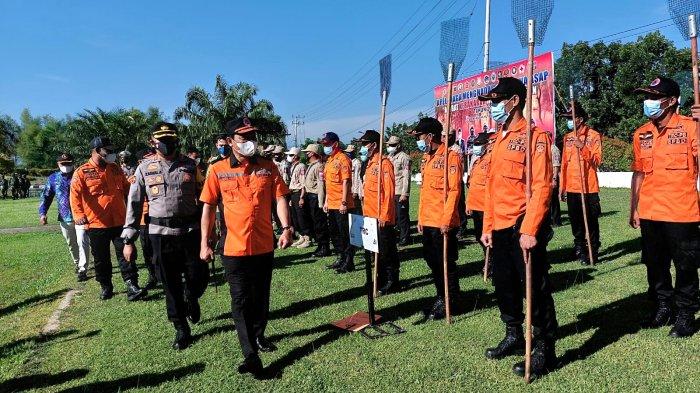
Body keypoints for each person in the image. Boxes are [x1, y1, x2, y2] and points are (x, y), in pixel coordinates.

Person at [199, 117, 293, 377]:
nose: (250, 142)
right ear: (230, 142)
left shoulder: (268, 167)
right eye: (243, 138)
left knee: (261, 296)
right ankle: (250, 354)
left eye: (253, 137)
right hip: (233, 248)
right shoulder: (217, 170)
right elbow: (208, 207)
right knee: (240, 300)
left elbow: (280, 198)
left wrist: (286, 228)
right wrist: (204, 243)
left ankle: (259, 335)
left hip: (263, 245)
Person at [478, 77, 557, 380]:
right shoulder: (498, 138)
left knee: (534, 289)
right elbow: (491, 188)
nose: (493, 107)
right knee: (504, 286)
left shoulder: (534, 137)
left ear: (513, 101)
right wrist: (486, 226)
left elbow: (541, 186)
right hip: (498, 226)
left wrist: (530, 228)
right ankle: (513, 333)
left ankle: (544, 348)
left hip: (521, 225)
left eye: (497, 102)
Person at [121, 122, 209, 350]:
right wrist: (128, 237)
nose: (166, 144)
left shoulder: (191, 166)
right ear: (153, 142)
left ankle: (192, 296)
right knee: (169, 284)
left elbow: (204, 198)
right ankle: (181, 327)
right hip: (160, 234)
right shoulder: (144, 168)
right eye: (162, 140)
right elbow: (134, 203)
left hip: (190, 232)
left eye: (170, 139)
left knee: (198, 277)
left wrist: (210, 230)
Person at [630, 76, 699, 338]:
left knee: (686, 265)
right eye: (646, 97)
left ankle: (685, 314)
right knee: (654, 264)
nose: (649, 103)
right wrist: (634, 208)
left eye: (654, 97)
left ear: (671, 101)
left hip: (681, 212)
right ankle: (663, 306)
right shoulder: (641, 133)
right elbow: (638, 173)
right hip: (649, 211)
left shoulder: (691, 128)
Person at [70, 136, 146, 301]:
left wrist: (133, 183)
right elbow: (74, 195)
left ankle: (132, 285)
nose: (112, 154)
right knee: (101, 260)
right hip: (97, 224)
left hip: (120, 221)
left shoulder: (115, 168)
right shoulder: (82, 172)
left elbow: (126, 188)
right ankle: (106, 286)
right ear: (97, 151)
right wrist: (78, 215)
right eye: (108, 151)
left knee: (127, 254)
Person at [410, 117, 462, 320]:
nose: (418, 141)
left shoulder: (451, 157)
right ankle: (441, 295)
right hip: (429, 220)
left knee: (445, 263)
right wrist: (421, 218)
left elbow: (454, 191)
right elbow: (425, 193)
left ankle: (451, 299)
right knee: (432, 261)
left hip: (443, 221)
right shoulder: (426, 158)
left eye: (420, 136)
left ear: (430, 136)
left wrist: (447, 220)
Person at [560, 101, 602, 265]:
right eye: (566, 118)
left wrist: (583, 147)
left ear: (580, 119)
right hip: (572, 188)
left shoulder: (594, 135)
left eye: (570, 118)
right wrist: (562, 187)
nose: (568, 121)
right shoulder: (567, 138)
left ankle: (593, 250)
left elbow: (597, 160)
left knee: (591, 222)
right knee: (576, 221)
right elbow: (564, 163)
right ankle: (579, 249)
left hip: (589, 188)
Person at [39, 153, 91, 282]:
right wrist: (43, 213)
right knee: (71, 243)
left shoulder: (80, 175)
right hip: (64, 216)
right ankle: (77, 262)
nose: (66, 166)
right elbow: (46, 196)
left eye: (69, 163)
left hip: (82, 215)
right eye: (63, 164)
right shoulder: (53, 179)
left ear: (73, 163)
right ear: (58, 164)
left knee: (82, 241)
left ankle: (82, 269)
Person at [359, 130, 399, 295]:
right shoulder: (369, 164)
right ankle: (379, 279)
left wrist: (385, 215)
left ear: (374, 145)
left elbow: (389, 192)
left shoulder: (384, 164)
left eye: (365, 144)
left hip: (381, 216)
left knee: (386, 251)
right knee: (374, 250)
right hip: (369, 214)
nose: (362, 147)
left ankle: (392, 280)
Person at [320, 132, 356, 273]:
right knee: (334, 233)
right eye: (324, 144)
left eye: (328, 144)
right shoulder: (329, 161)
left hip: (342, 204)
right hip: (332, 203)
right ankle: (340, 257)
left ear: (335, 143)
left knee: (344, 234)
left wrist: (344, 202)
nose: (326, 147)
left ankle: (348, 262)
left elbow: (346, 182)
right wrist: (326, 201)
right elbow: (328, 185)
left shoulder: (343, 159)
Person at [465, 132, 495, 277]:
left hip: (486, 206)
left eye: (478, 144)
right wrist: (468, 204)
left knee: (489, 237)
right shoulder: (477, 161)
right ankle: (487, 262)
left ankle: (491, 265)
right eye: (474, 144)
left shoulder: (491, 160)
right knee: (479, 237)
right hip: (475, 205)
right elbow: (472, 185)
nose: (476, 147)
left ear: (487, 144)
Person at [132, 148, 160, 290]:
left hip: (158, 218)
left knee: (160, 249)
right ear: (140, 162)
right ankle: (152, 276)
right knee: (147, 250)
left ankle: (163, 274)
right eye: (147, 159)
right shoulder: (135, 176)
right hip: (143, 220)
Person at [301, 144, 331, 257]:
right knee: (314, 223)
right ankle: (320, 245)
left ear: (313, 153)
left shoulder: (319, 166)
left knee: (320, 224)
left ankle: (324, 247)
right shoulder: (311, 165)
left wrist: (320, 202)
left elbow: (320, 184)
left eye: (308, 152)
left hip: (316, 197)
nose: (306, 154)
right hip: (310, 196)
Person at [387, 135, 411, 246]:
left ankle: (405, 238)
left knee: (402, 216)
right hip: (391, 191)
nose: (390, 147)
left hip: (400, 191)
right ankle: (397, 236)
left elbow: (407, 176)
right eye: (389, 145)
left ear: (399, 145)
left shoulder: (404, 157)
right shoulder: (389, 157)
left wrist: (404, 193)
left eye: (392, 145)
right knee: (394, 216)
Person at [286, 147, 312, 248]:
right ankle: (301, 236)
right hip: (293, 193)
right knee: (295, 217)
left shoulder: (301, 166)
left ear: (296, 156)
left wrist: (302, 197)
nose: (289, 157)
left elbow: (303, 183)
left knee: (302, 216)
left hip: (298, 193)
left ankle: (307, 238)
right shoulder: (293, 166)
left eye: (291, 155)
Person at [346, 144, 363, 211]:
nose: (348, 154)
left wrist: (355, 191)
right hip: (348, 189)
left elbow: (357, 177)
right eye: (347, 152)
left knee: (354, 208)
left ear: (353, 153)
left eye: (350, 152)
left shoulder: (357, 163)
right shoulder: (347, 162)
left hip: (353, 189)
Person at [550, 141, 563, 227]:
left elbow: (556, 165)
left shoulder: (554, 149)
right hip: (544, 178)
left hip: (552, 178)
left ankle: (556, 221)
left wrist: (554, 178)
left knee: (554, 200)